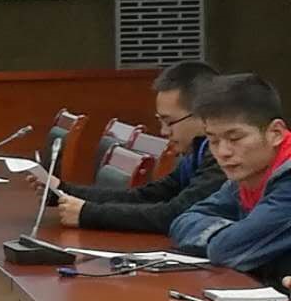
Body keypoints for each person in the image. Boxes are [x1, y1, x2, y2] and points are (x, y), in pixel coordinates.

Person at [50, 62, 224, 232]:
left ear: (204, 115)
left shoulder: (221, 159)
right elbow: (147, 196)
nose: (164, 132)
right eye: (161, 121)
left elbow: (175, 214)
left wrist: (88, 214)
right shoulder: (195, 153)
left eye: (170, 122)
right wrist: (61, 190)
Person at [170, 74, 291, 286]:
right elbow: (182, 222)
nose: (223, 152)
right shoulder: (248, 176)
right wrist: (231, 234)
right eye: (213, 140)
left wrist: (228, 238)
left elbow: (225, 252)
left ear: (276, 133)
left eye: (235, 138)